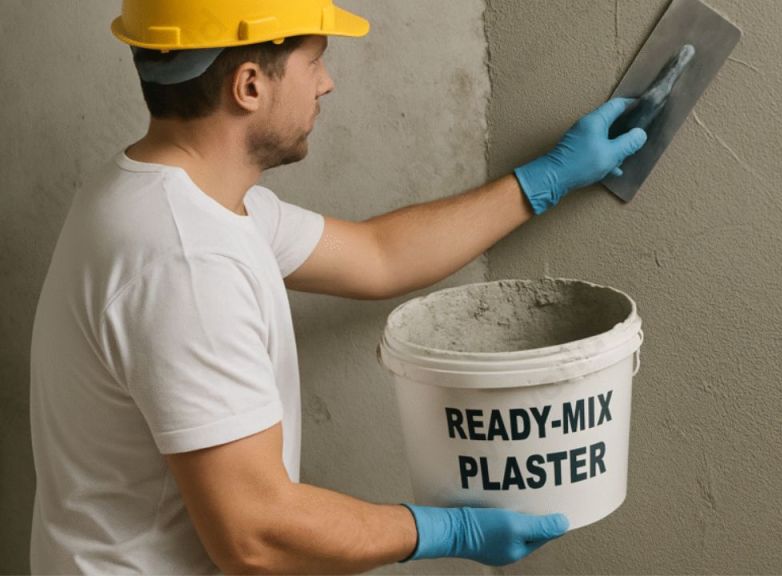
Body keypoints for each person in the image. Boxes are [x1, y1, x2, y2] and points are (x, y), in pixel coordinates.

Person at [28, 1, 649, 573]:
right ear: (250, 84)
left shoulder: (172, 197)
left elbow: (378, 257)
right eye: (314, 62)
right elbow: (256, 535)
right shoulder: (184, 261)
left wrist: (545, 180)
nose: (326, 83)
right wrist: (444, 531)